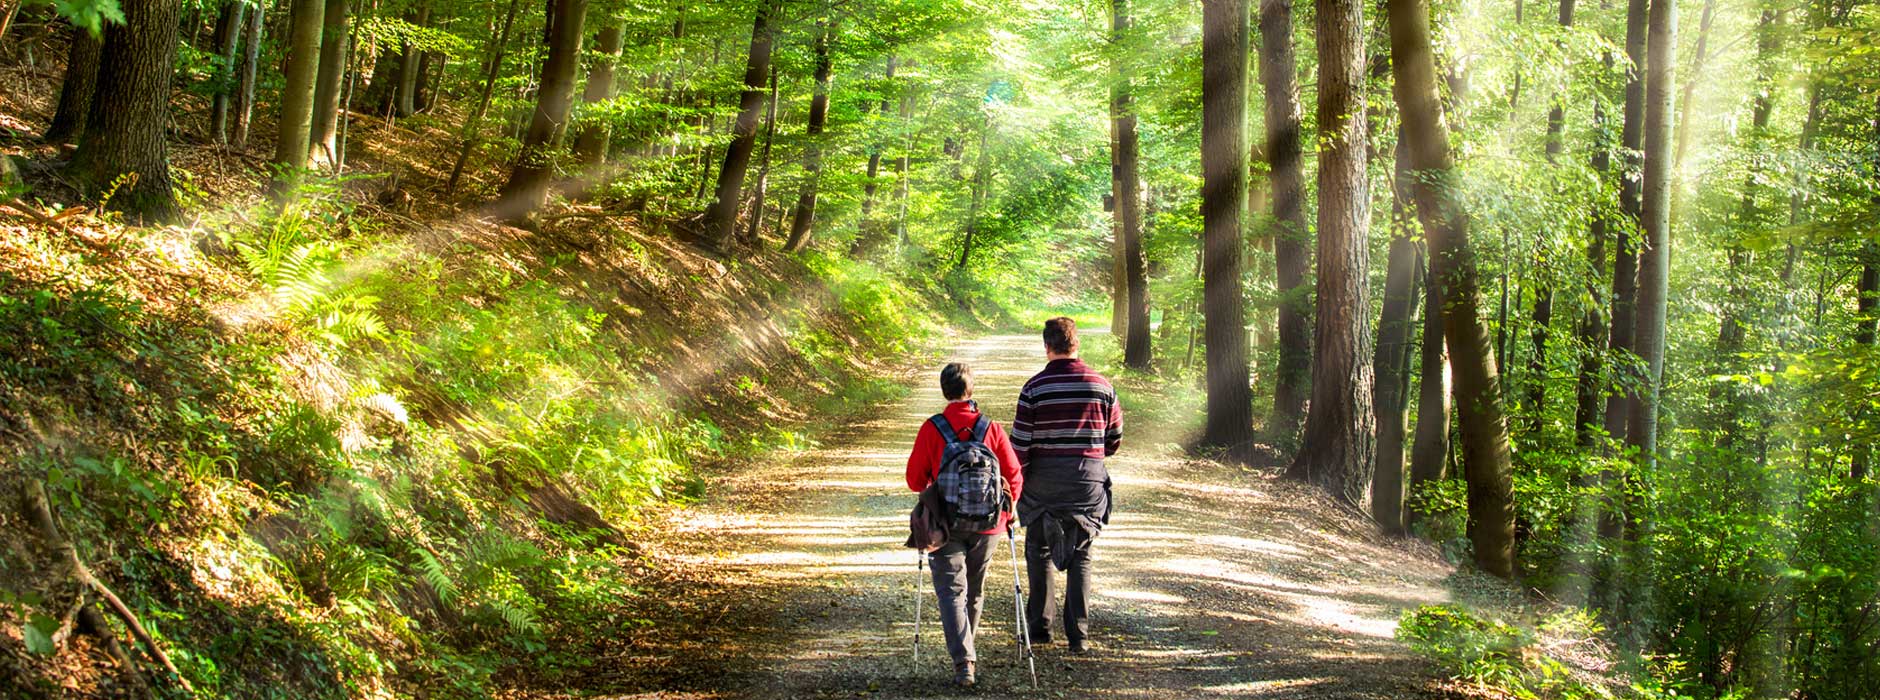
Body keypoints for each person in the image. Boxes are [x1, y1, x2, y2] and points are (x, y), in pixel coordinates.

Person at [905, 362, 1024, 688]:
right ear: (971, 391)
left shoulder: (932, 428)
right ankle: (966, 652)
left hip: (945, 525)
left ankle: (964, 662)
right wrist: (1009, 511)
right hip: (989, 525)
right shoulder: (992, 429)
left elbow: (914, 479)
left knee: (951, 593)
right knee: (973, 590)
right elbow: (1013, 474)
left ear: (944, 391)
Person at [1011, 317, 1120, 655]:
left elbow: (1019, 447)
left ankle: (1041, 628)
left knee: (1039, 549)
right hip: (1086, 481)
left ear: (1047, 347)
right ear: (1077, 345)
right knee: (1082, 555)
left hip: (1043, 482)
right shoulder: (1102, 387)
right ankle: (1079, 636)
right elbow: (1113, 441)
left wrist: (1023, 483)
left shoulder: (1034, 388)